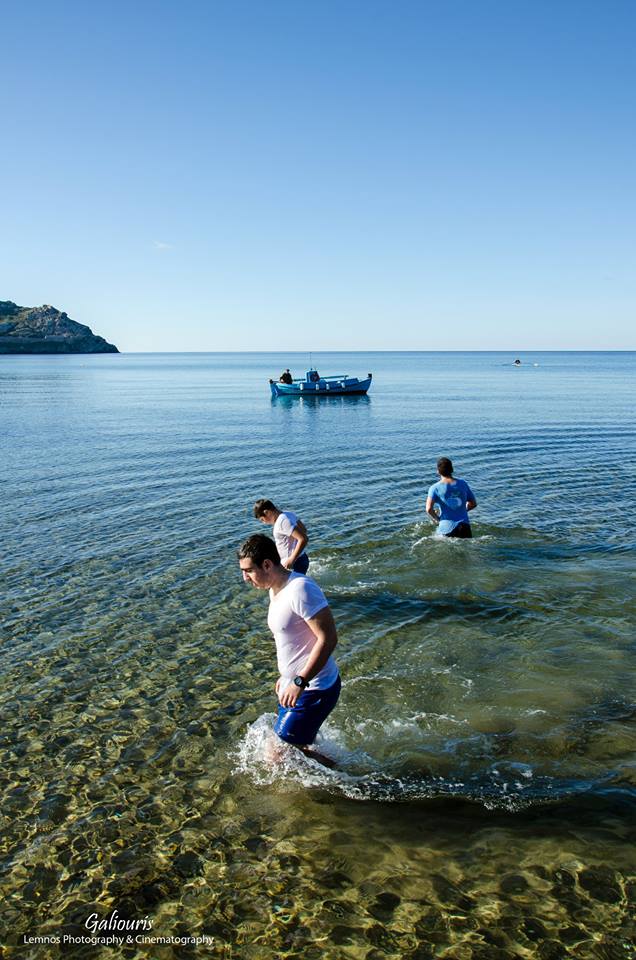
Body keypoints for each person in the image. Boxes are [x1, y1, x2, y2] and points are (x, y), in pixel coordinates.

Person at [238, 534, 341, 765]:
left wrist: (299, 681)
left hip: (315, 687)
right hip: (293, 685)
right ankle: (335, 771)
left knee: (275, 755)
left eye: (248, 571)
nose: (245, 578)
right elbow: (292, 639)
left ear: (267, 564)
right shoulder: (274, 590)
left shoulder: (301, 589)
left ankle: (350, 778)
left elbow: (329, 638)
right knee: (298, 747)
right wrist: (285, 676)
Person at [253, 499, 310, 574]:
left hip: (294, 563)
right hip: (300, 558)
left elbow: (303, 539)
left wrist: (291, 559)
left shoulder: (282, 522)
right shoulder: (288, 514)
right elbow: (304, 530)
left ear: (267, 512)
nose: (264, 523)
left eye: (262, 519)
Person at [426, 457, 477, 538]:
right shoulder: (463, 483)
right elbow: (473, 504)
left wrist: (437, 519)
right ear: (452, 469)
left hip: (446, 528)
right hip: (464, 527)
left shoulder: (434, 488)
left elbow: (428, 509)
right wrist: (463, 510)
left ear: (438, 471)